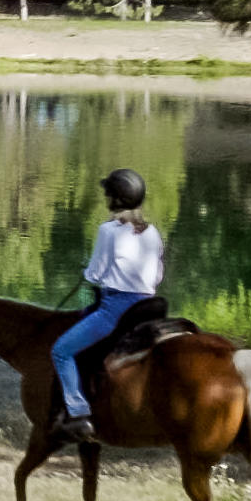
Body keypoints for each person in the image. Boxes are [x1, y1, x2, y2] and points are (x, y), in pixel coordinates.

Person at [49, 168, 163, 443]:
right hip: (148, 305)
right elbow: (158, 274)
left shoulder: (109, 231)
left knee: (61, 351)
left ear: (114, 201)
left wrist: (87, 273)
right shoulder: (152, 231)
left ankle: (78, 413)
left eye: (108, 194)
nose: (106, 198)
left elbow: (96, 273)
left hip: (116, 308)